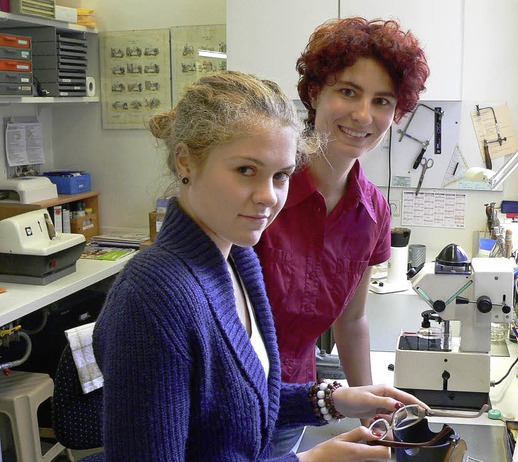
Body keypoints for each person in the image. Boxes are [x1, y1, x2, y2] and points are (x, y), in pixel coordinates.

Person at [92, 71, 428, 461]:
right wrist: (308, 461)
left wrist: (334, 399)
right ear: (186, 161)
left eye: (281, 175)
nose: (268, 197)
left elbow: (239, 405)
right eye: (246, 171)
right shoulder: (154, 295)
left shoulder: (238, 259)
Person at [255, 17, 430, 455]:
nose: (362, 115)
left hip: (292, 402)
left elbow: (351, 322)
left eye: (382, 100)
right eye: (348, 91)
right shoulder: (262, 190)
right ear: (315, 93)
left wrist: (370, 404)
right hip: (222, 400)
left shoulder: (373, 213)